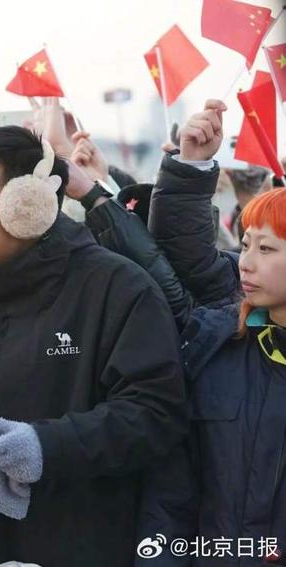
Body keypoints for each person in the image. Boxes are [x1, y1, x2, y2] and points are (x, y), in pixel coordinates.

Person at [0, 126, 187, 566]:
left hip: (99, 540)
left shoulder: (118, 288)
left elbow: (154, 414)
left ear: (29, 202)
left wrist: (44, 445)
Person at [136, 100, 286, 566]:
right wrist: (192, 164)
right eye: (245, 244)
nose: (246, 260)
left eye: (267, 248)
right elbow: (171, 500)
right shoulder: (220, 341)